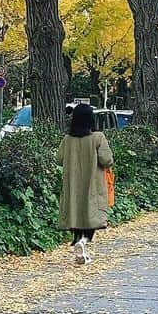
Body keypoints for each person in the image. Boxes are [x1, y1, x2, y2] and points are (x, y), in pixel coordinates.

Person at [59, 103, 114, 265]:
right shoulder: (98, 138)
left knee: (76, 214)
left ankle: (78, 242)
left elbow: (59, 159)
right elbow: (107, 159)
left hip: (73, 184)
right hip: (93, 184)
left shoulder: (67, 140)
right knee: (91, 215)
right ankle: (83, 242)